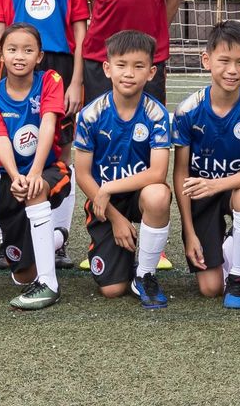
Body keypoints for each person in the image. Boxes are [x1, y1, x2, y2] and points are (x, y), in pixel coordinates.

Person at [0, 0, 88, 270]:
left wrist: (76, 79)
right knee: (11, 149)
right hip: (14, 69)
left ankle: (58, 238)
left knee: (60, 150)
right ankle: (7, 241)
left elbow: (80, 27)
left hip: (58, 66)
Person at [173, 21, 240, 310]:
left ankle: (238, 277)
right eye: (224, 60)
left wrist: (214, 184)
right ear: (206, 60)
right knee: (210, 289)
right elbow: (180, 174)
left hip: (231, 190)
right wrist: (188, 232)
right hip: (200, 197)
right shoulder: (187, 111)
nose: (232, 70)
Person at [73, 30, 173, 307]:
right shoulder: (90, 115)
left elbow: (157, 174)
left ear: (151, 72)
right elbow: (82, 174)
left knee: (158, 194)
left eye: (138, 66)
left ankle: (145, 274)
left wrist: (109, 187)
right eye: (121, 65)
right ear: (107, 68)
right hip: (106, 203)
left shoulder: (156, 114)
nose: (129, 73)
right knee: (113, 289)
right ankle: (118, 258)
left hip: (135, 193)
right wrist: (116, 219)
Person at [0, 23, 69, 311]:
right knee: (21, 276)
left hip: (49, 169)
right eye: (13, 49)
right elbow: (1, 139)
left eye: (28, 50)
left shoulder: (50, 80)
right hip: (12, 176)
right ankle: (55, 239)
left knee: (35, 189)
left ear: (40, 56)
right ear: (1, 54)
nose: (20, 56)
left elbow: (47, 124)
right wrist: (17, 175)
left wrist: (34, 173)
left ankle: (49, 284)